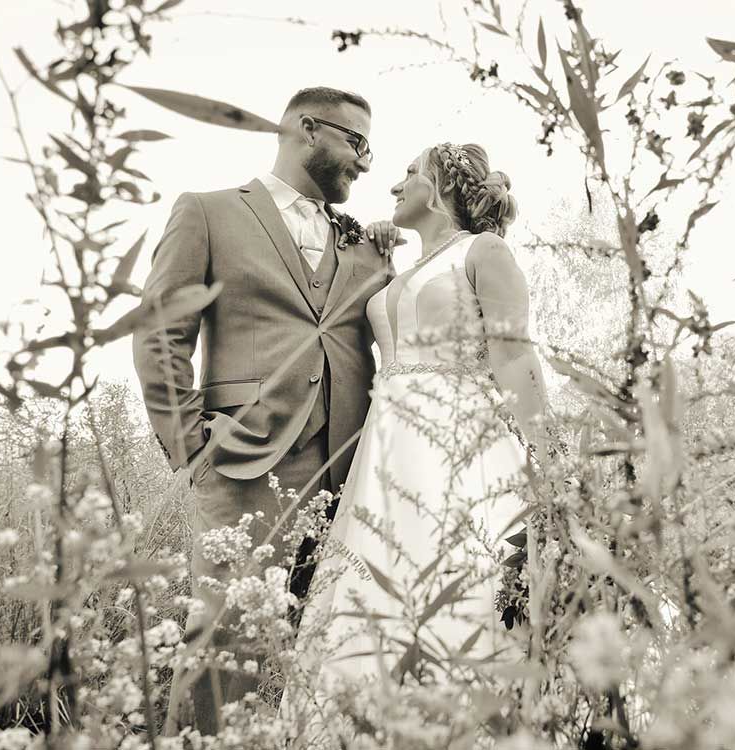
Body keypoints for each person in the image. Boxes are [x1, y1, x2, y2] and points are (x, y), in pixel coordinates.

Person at [132, 87, 396, 733]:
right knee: (227, 644)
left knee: (326, 649)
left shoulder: (362, 243)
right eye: (357, 142)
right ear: (308, 128)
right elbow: (162, 330)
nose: (366, 163)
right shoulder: (208, 211)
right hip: (244, 461)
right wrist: (192, 446)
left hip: (352, 470)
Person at [291, 142, 550, 703]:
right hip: (385, 448)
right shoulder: (402, 266)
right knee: (375, 578)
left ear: (441, 186)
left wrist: (552, 455)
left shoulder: (483, 252)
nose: (394, 185)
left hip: (457, 438)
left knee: (454, 573)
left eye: (409, 173)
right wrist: (379, 250)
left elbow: (514, 356)